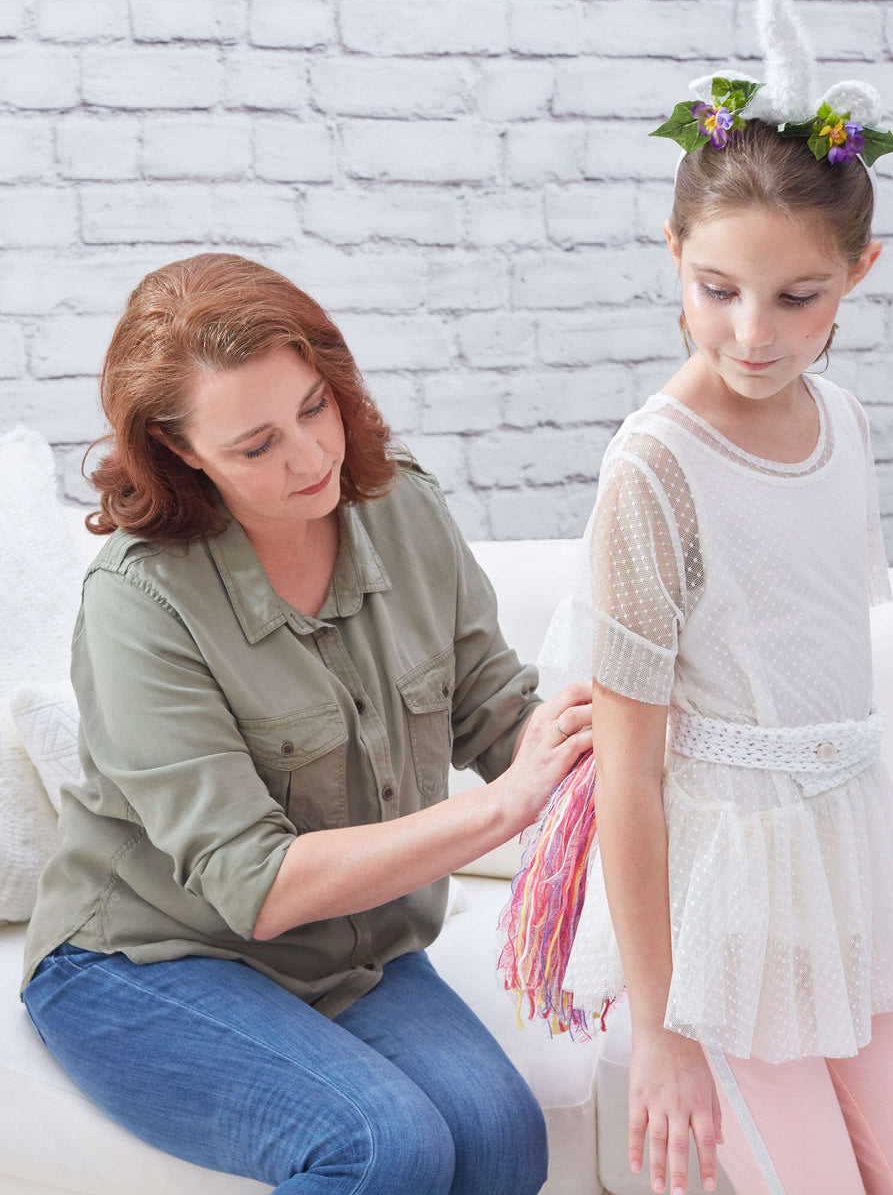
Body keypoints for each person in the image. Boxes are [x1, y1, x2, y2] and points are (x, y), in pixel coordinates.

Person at [536, 0, 893, 1194]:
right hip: (722, 920)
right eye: (717, 287)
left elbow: (826, 690)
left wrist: (871, 895)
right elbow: (632, 768)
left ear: (858, 275)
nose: (753, 333)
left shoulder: (840, 421)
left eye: (799, 297)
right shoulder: (655, 470)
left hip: (835, 893)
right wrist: (668, 1030)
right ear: (672, 253)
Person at [19, 252, 593, 1195]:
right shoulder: (141, 603)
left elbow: (493, 711)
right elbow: (256, 883)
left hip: (346, 952)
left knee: (501, 1142)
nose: (311, 457)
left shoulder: (403, 506)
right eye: (255, 445)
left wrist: (612, 740)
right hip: (146, 962)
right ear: (178, 449)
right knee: (385, 1145)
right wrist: (503, 813)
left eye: (315, 407)